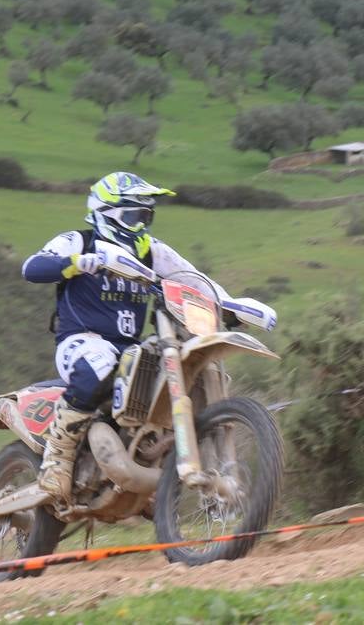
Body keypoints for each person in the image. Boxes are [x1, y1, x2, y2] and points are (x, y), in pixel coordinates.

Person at [21, 171, 231, 504]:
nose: (142, 223)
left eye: (147, 215)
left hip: (131, 349)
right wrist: (77, 263)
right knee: (100, 364)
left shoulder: (152, 251)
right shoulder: (80, 241)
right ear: (108, 212)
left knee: (178, 370)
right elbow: (32, 267)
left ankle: (156, 458)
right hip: (81, 340)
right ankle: (56, 463)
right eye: (135, 214)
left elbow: (194, 279)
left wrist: (228, 303)